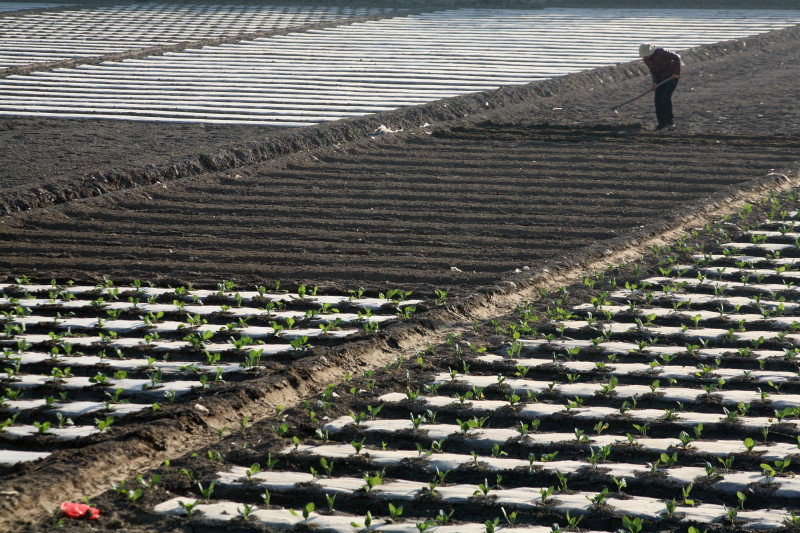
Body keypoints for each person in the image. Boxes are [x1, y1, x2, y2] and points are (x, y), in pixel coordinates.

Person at [639, 43, 681, 131]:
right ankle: (661, 123)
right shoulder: (646, 60)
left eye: (646, 55)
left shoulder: (661, 52)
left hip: (671, 77)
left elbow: (677, 57)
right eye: (644, 56)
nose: (645, 57)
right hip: (660, 80)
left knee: (665, 97)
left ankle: (669, 122)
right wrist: (654, 82)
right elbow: (653, 72)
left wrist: (676, 72)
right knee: (657, 100)